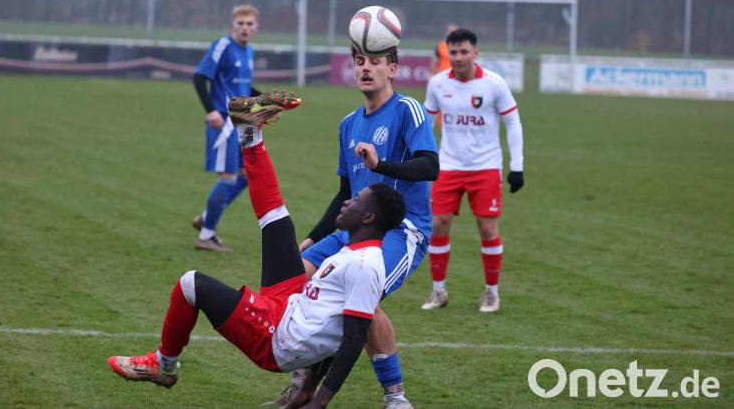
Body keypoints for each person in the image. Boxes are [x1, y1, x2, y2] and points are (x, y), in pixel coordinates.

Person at [108, 96, 408, 409]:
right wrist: (306, 389)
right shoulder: (352, 250)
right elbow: (330, 327)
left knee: (190, 284)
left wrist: (317, 400)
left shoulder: (365, 265)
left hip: (278, 338)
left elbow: (351, 339)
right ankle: (249, 132)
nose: (347, 202)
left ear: (369, 218)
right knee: (276, 218)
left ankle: (163, 365)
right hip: (289, 304)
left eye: (356, 202)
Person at [271, 47, 438, 409]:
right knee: (292, 281)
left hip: (401, 229)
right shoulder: (348, 123)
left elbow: (430, 167)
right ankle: (304, 381)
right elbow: (345, 194)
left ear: (392, 69)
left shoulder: (408, 109)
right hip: (351, 231)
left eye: (375, 62)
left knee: (362, 297)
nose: (366, 69)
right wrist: (313, 237)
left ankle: (395, 398)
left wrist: (382, 165)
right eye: (360, 62)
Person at [421, 28, 524, 313]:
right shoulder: (438, 84)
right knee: (438, 225)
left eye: (464, 52)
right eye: (453, 52)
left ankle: (492, 293)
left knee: (488, 229)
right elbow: (426, 124)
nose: (458, 57)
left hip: (485, 167)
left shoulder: (494, 84)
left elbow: (513, 123)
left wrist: (517, 166)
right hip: (449, 165)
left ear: (475, 53)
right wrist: (419, 159)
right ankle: (438, 292)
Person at [190, 4, 263, 252]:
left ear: (256, 27)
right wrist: (211, 111)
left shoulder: (249, 51)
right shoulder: (222, 46)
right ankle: (206, 235)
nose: (244, 28)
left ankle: (205, 218)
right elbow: (200, 77)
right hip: (223, 122)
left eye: (249, 24)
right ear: (233, 25)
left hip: (241, 121)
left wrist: (268, 101)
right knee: (228, 177)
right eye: (240, 24)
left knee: (245, 177)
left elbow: (242, 90)